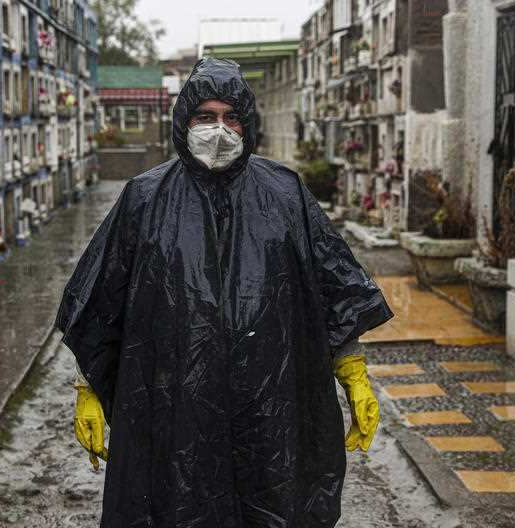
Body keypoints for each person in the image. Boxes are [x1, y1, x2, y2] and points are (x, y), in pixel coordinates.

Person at [55, 58, 393, 528]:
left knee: (271, 508)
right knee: (176, 507)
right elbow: (101, 302)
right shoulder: (144, 199)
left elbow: (331, 288)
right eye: (205, 117)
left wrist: (353, 371)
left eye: (231, 117)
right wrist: (87, 388)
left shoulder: (285, 193)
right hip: (175, 413)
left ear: (247, 122)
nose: (219, 130)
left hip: (270, 411)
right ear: (184, 122)